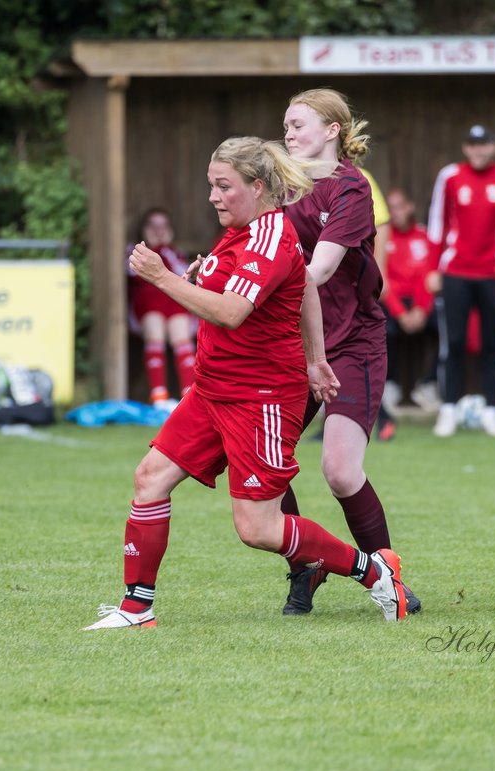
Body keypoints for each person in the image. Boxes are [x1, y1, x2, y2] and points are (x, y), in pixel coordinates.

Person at [84, 136, 419, 630]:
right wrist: (316, 357)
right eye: (211, 186)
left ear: (257, 186)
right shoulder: (240, 231)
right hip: (213, 389)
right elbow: (302, 285)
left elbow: (234, 312)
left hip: (259, 397)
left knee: (257, 528)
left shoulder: (269, 234)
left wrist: (163, 276)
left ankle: (374, 573)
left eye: (224, 186)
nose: (214, 196)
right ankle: (137, 609)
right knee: (150, 479)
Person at [278, 87, 408, 617]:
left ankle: (386, 574)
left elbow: (319, 271)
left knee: (338, 469)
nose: (288, 134)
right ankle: (303, 567)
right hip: (291, 345)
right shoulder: (276, 185)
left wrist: (250, 290)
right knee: (266, 467)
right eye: (284, 125)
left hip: (352, 342)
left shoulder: (350, 189)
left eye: (299, 124)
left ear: (333, 130)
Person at [426, 124, 495, 438]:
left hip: (494, 273)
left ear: (493, 147)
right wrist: (433, 266)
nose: (478, 151)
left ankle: (492, 409)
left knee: (491, 345)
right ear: (465, 148)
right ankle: (448, 409)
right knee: (453, 343)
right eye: (473, 145)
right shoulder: (450, 176)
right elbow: (437, 222)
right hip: (456, 271)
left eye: (484, 145)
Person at [376, 187, 441, 439]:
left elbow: (429, 276)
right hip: (393, 302)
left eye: (400, 206)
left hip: (421, 302)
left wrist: (421, 310)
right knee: (379, 325)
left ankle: (428, 383)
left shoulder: (424, 236)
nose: (396, 212)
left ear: (410, 207)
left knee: (450, 327)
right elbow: (384, 281)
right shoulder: (383, 237)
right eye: (390, 208)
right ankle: (388, 383)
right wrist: (402, 313)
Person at [127, 208, 195, 408]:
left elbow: (185, 276)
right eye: (153, 226)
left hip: (173, 303)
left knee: (180, 331)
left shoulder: (173, 252)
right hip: (146, 306)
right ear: (144, 229)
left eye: (163, 226)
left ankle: (188, 396)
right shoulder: (134, 250)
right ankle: (159, 397)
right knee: (154, 321)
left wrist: (164, 250)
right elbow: (131, 273)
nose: (158, 231)